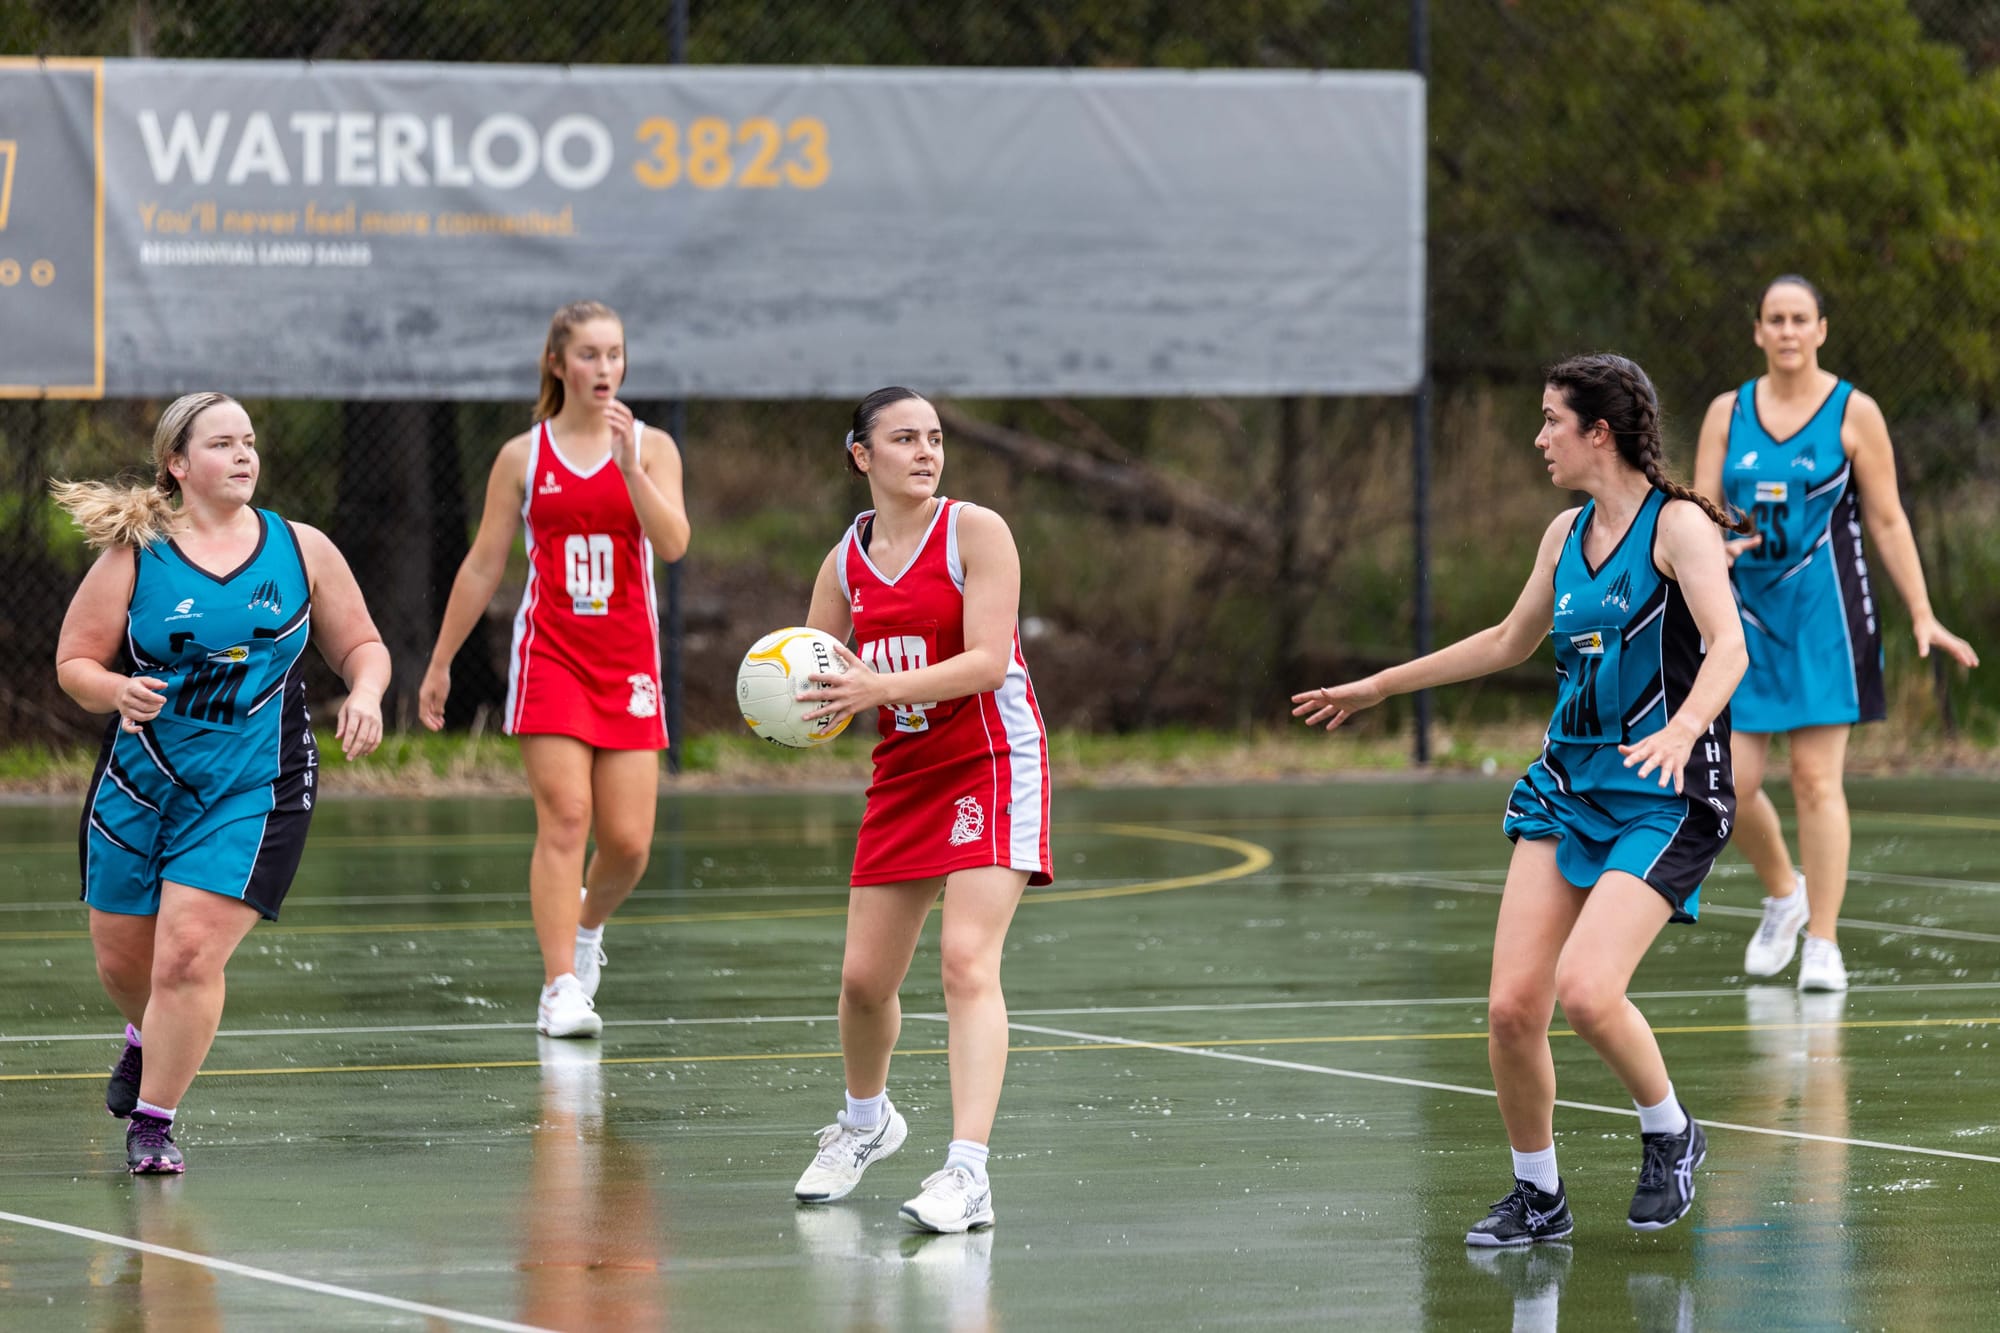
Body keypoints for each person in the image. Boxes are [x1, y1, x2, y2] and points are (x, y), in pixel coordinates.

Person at [1294, 354, 1749, 1244]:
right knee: (1511, 1009)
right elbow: (1509, 638)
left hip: (1663, 792)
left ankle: (1671, 1131)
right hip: (1567, 786)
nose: (1539, 438)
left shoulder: (1678, 528)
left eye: (1551, 421)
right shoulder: (1563, 534)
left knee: (1588, 990)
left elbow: (1729, 645)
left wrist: (1686, 726)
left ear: (1598, 432)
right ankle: (1539, 1196)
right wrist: (1380, 686)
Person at [53, 392, 389, 1174]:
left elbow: (362, 645)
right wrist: (116, 689)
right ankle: (148, 1034)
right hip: (142, 781)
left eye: (250, 441)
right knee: (122, 961)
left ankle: (154, 1121)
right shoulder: (136, 556)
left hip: (254, 783)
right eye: (222, 443)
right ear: (177, 463)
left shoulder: (300, 548)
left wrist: (367, 692)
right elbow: (75, 662)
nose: (244, 455)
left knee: (187, 954)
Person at [788, 386, 1051, 1234]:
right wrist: (798, 706)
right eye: (904, 438)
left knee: (967, 960)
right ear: (862, 455)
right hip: (904, 771)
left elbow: (986, 662)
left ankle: (968, 1173)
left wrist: (877, 686)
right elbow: (817, 672)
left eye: (934, 437)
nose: (926, 451)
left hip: (990, 760)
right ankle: (866, 1123)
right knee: (864, 982)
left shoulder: (976, 532)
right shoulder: (845, 563)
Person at [1694, 275, 1979, 992]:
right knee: (1731, 782)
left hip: (1827, 618)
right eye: (1775, 319)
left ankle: (1822, 939)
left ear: (1821, 329)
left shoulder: (1855, 412)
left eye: (1801, 319)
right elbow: (1699, 513)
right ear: (1757, 331)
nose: (1788, 331)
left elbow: (1886, 518)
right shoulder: (1728, 413)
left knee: (1816, 779)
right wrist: (1713, 547)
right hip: (1744, 621)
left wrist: (1922, 610)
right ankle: (1784, 894)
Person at [420, 301, 689, 1038]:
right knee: (567, 817)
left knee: (629, 844)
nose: (605, 368)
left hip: (628, 662)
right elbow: (483, 565)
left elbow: (673, 543)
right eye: (590, 355)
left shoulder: (652, 447)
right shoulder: (523, 456)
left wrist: (630, 468)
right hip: (553, 656)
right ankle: (559, 985)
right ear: (557, 363)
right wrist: (441, 661)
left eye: (615, 354)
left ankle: (586, 926)